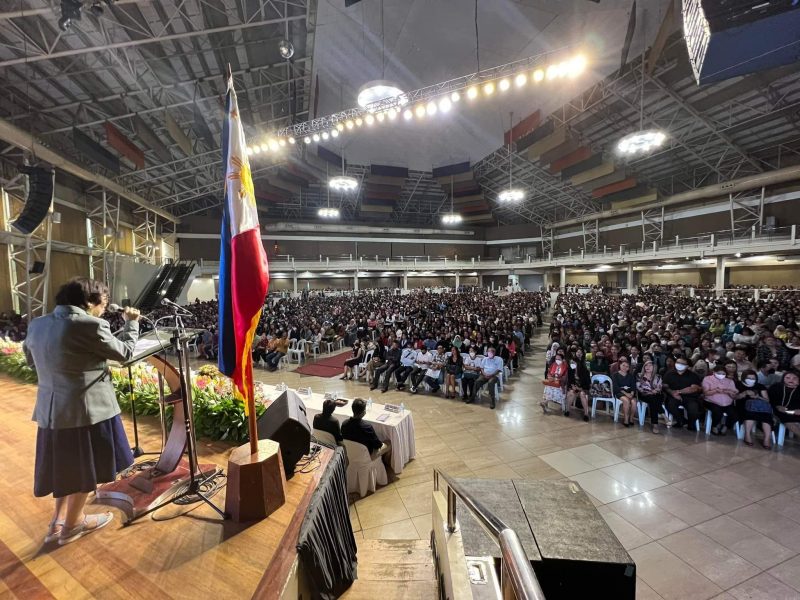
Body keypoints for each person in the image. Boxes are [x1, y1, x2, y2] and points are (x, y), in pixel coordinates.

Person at [23, 277, 140, 545]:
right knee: (84, 469)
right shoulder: (90, 324)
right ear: (89, 302)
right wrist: (132, 323)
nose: (103, 309)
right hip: (86, 410)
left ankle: (58, 522)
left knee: (65, 468)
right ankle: (74, 525)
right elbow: (124, 353)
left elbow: (31, 362)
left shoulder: (37, 325)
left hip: (52, 411)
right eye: (103, 303)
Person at [662, 357, 703, 430]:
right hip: (673, 396)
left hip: (690, 397)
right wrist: (672, 393)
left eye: (682, 364)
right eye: (678, 362)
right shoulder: (669, 373)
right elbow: (665, 386)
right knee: (670, 405)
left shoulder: (693, 375)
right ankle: (681, 421)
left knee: (694, 409)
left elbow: (694, 388)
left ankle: (691, 424)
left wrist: (678, 392)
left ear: (687, 366)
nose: (679, 365)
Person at [735, 369, 772, 447]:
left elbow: (767, 400)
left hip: (760, 407)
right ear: (743, 378)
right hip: (742, 406)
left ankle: (767, 438)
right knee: (750, 413)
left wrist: (758, 396)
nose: (751, 380)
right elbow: (734, 398)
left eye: (753, 378)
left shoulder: (760, 386)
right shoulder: (738, 384)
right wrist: (744, 393)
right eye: (749, 378)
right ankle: (747, 435)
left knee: (767, 415)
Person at [702, 365, 738, 436]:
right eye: (719, 373)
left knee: (735, 414)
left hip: (727, 403)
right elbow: (706, 393)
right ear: (714, 372)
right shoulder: (707, 379)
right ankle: (714, 426)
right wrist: (716, 390)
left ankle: (726, 426)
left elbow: (734, 396)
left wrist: (730, 392)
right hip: (711, 401)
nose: (721, 375)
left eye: (723, 374)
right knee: (717, 412)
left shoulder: (730, 381)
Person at [769, 370, 800, 442]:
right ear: (783, 379)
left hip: (795, 411)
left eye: (794, 378)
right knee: (787, 417)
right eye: (788, 378)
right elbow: (770, 400)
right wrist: (777, 406)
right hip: (779, 411)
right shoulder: (776, 387)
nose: (791, 380)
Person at [637, 360, 663, 434]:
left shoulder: (658, 376)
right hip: (644, 395)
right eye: (646, 365)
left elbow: (659, 387)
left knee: (654, 400)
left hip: (655, 395)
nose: (647, 367)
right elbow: (639, 387)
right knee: (653, 399)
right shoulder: (639, 375)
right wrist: (649, 392)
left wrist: (654, 391)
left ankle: (655, 424)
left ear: (654, 367)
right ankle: (661, 417)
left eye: (650, 365)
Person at [565, 354, 591, 422]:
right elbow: (570, 381)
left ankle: (586, 414)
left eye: (573, 362)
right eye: (571, 362)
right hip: (574, 387)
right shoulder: (570, 370)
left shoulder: (585, 371)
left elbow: (588, 383)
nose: (572, 364)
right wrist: (572, 386)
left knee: (582, 395)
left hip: (583, 388)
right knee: (571, 393)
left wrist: (580, 388)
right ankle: (567, 410)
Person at [612, 359, 637, 427]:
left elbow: (633, 386)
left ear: (629, 368)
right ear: (620, 365)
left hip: (629, 392)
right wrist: (626, 394)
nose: (625, 367)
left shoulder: (630, 376)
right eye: (623, 365)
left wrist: (631, 393)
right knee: (626, 400)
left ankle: (631, 418)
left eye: (627, 366)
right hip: (620, 392)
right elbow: (616, 387)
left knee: (634, 402)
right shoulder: (615, 375)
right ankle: (626, 418)